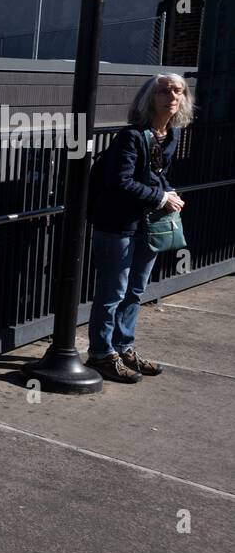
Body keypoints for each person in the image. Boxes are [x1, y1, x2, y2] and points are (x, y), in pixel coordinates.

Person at [85, 74, 193, 383]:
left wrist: (168, 193)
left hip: (149, 225)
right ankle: (101, 354)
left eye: (178, 91)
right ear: (149, 98)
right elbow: (119, 182)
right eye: (163, 91)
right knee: (112, 291)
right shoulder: (131, 136)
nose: (171, 96)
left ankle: (123, 347)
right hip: (117, 225)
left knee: (135, 290)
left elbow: (154, 176)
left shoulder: (172, 134)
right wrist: (161, 197)